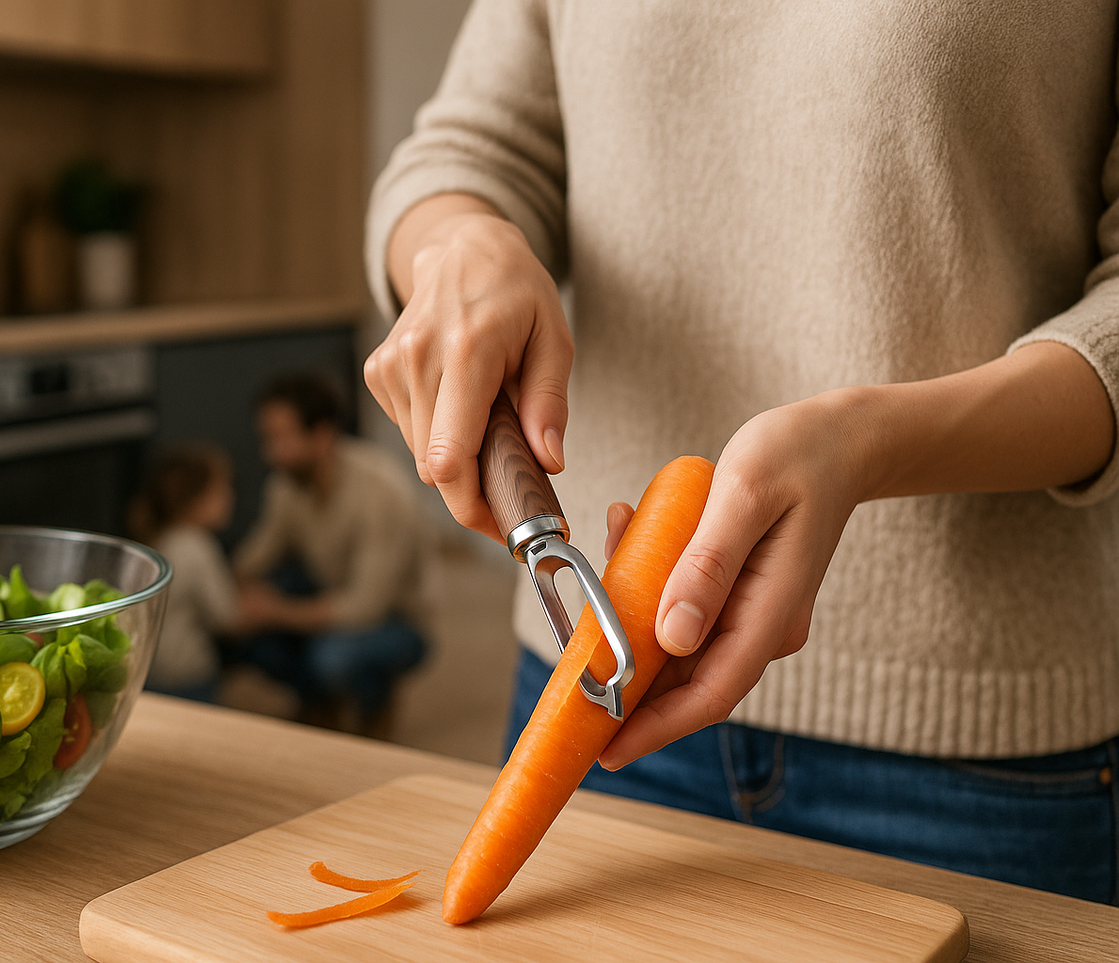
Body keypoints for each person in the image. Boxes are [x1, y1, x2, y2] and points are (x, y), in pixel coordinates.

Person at [363, 1, 1119, 903]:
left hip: (977, 754)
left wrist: (867, 445)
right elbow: (468, 153)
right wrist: (461, 246)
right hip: (593, 697)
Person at [231, 373, 427, 737]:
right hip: (330, 591)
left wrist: (273, 611)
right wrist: (228, 588)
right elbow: (259, 554)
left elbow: (366, 605)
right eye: (267, 439)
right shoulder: (287, 483)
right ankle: (318, 702)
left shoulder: (380, 491)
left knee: (332, 658)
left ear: (322, 435)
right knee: (247, 636)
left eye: (281, 438)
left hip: (397, 616)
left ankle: (375, 703)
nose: (269, 453)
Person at [128, 443, 241, 703]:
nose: (231, 497)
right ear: (198, 498)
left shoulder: (156, 539)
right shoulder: (196, 545)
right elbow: (228, 618)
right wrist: (268, 608)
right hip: (189, 681)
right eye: (223, 489)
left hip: (150, 677)